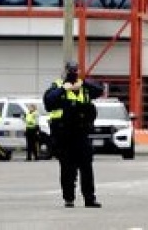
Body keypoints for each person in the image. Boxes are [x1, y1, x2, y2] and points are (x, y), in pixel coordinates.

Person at [43, 60, 104, 208]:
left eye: (75, 70)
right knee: (67, 167)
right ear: (65, 71)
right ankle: (69, 198)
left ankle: (89, 198)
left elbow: (100, 90)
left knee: (86, 167)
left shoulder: (83, 86)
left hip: (81, 132)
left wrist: (82, 84)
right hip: (64, 134)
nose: (73, 73)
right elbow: (48, 101)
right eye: (71, 71)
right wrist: (64, 89)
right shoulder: (58, 85)